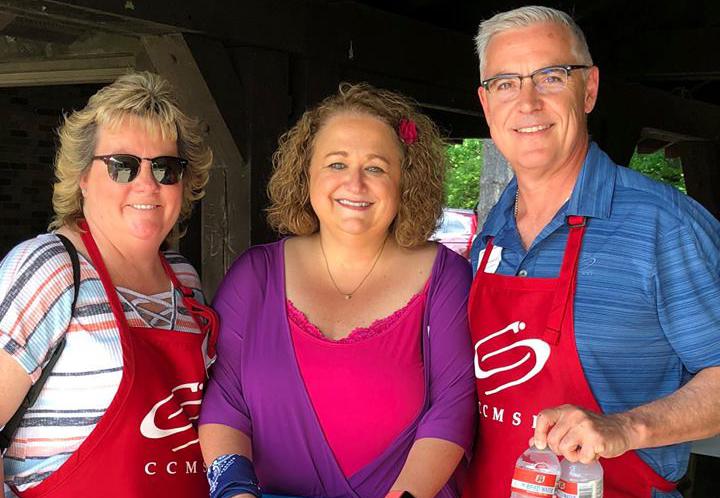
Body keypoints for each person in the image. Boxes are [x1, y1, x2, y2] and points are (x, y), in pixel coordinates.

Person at [463, 6, 720, 498]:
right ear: (486, 102)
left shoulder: (663, 225)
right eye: (506, 83)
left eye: (551, 76)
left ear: (590, 89)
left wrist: (626, 428)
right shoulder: (491, 232)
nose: (528, 102)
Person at [198, 82, 476, 498]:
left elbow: (453, 407)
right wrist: (235, 493)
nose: (356, 184)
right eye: (337, 164)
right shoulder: (255, 276)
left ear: (406, 182)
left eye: (376, 167)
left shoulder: (445, 277)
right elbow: (224, 400)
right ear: (305, 174)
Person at [0, 71, 217, 497]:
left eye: (165, 167)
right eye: (122, 166)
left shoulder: (185, 280)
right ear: (82, 177)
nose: (147, 183)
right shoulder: (52, 270)